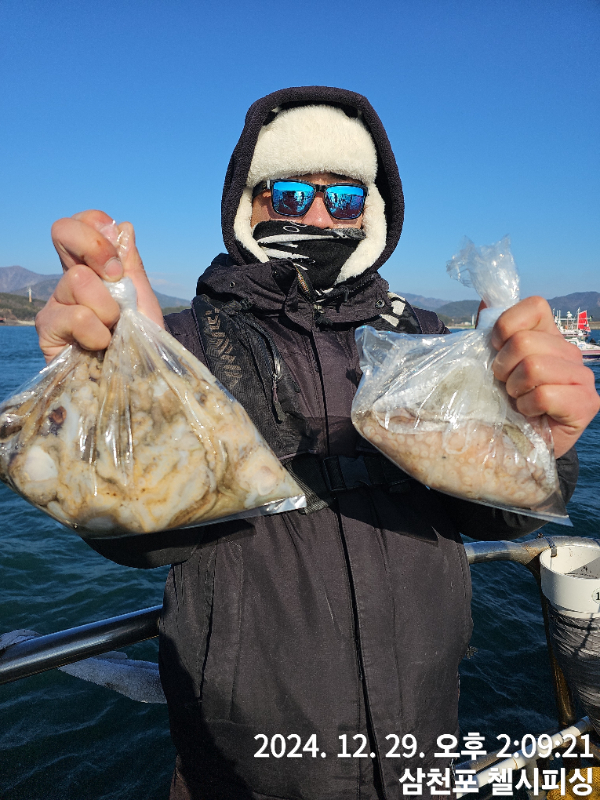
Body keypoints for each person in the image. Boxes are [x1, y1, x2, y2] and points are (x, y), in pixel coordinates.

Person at [36, 86, 599, 799]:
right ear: (248, 204)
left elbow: (496, 516)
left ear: (373, 211)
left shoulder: (427, 342)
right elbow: (142, 539)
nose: (320, 215)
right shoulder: (178, 343)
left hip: (423, 736)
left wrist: (542, 444)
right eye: (293, 194)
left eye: (346, 197)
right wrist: (109, 404)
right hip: (244, 765)